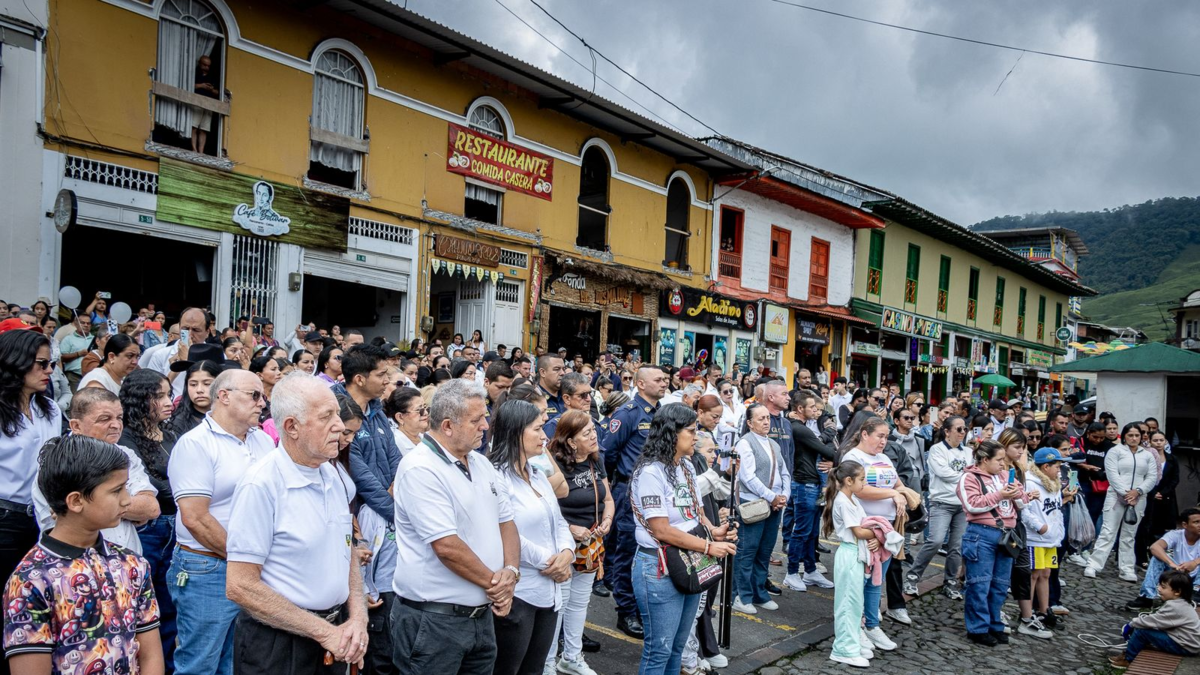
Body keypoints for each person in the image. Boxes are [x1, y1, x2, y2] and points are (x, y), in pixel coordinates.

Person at [225, 374, 368, 674]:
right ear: (292, 427)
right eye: (327, 417)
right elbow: (240, 586)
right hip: (279, 644)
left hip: (333, 634)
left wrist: (358, 618)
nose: (340, 426)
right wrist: (323, 632)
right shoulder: (261, 484)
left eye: (337, 416)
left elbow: (347, 550)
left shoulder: (331, 474)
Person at [2, 435, 165, 675]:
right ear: (76, 501)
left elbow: (150, 656)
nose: (127, 500)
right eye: (117, 490)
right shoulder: (31, 580)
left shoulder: (132, 564)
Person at [388, 378, 519, 674]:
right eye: (476, 420)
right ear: (447, 425)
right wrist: (497, 586)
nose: (485, 425)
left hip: (480, 617)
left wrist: (511, 572)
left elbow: (507, 522)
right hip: (433, 622)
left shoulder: (481, 463)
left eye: (484, 417)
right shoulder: (420, 468)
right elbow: (446, 546)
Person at [167, 369, 274, 675]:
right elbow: (195, 518)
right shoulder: (196, 444)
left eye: (263, 396)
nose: (261, 403)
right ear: (224, 396)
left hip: (250, 565)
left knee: (237, 661)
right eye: (254, 395)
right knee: (199, 663)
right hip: (208, 568)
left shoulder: (263, 441)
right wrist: (243, 557)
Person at [629, 404, 737, 675]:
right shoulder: (650, 472)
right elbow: (661, 530)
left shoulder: (686, 465)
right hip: (658, 567)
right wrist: (709, 546)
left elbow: (695, 514)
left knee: (678, 647)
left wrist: (715, 530)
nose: (697, 436)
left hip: (689, 560)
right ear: (671, 434)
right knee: (659, 650)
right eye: (691, 431)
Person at [485, 401, 573, 675]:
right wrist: (551, 562)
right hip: (519, 591)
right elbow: (505, 533)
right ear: (515, 433)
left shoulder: (536, 474)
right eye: (537, 429)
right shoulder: (496, 477)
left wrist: (568, 554)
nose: (545, 436)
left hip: (549, 591)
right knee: (508, 669)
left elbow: (558, 521)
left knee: (534, 669)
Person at [331, 345, 402, 673]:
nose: (388, 380)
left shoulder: (378, 410)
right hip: (356, 522)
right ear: (359, 378)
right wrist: (396, 512)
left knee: (383, 615)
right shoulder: (334, 410)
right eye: (381, 374)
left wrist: (398, 494)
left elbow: (394, 462)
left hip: (384, 520)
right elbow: (357, 473)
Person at [118, 370, 182, 670]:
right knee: (142, 608)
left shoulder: (170, 433)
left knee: (169, 610)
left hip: (175, 528)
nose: (168, 402)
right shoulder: (126, 438)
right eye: (159, 396)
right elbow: (153, 490)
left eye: (169, 394)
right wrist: (185, 490)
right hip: (149, 530)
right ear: (141, 400)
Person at [601, 365, 668, 639]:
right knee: (627, 550)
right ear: (640, 384)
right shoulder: (628, 413)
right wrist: (617, 483)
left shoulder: (662, 412)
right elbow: (609, 452)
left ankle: (643, 607)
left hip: (657, 489)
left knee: (652, 549)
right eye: (658, 379)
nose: (664, 383)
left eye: (665, 379)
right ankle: (626, 611)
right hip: (629, 489)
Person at [544, 411, 612, 675]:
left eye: (593, 430)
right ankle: (547, 662)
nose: (594, 435)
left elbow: (607, 498)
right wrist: (570, 528)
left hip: (591, 545)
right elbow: (545, 506)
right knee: (558, 605)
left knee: (579, 603)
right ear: (571, 441)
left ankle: (571, 657)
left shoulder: (596, 460)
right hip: (563, 545)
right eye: (587, 433)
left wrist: (607, 520)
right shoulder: (555, 466)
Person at [0, 329, 61, 619]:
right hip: (4, 518)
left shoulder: (49, 408)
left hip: (42, 519)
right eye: (41, 363)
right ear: (17, 362)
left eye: (52, 364)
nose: (49, 370)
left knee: (31, 605)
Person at [838, 416, 905, 652]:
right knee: (862, 578)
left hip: (886, 526)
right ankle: (860, 624)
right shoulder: (853, 457)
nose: (884, 441)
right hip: (865, 526)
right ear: (865, 434)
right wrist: (892, 495)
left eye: (887, 436)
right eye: (880, 435)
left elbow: (897, 484)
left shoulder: (884, 458)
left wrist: (901, 493)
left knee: (877, 577)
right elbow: (862, 490)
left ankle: (872, 624)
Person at [956, 440, 1032, 646]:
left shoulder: (1005, 475)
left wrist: (1021, 496)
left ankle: (994, 624)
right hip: (981, 533)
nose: (1002, 464)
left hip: (1007, 535)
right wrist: (1000, 494)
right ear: (984, 459)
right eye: (998, 460)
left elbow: (1022, 503)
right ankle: (978, 628)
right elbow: (972, 505)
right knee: (979, 583)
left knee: (999, 584)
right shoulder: (969, 477)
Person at [732, 403, 790, 615]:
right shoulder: (745, 443)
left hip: (773, 506)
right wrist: (772, 496)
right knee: (747, 551)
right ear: (749, 423)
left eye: (767, 418)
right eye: (760, 418)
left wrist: (784, 496)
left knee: (764, 552)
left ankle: (759, 593)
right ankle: (741, 596)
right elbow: (747, 477)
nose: (766, 422)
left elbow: (785, 472)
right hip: (753, 504)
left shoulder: (773, 444)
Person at [905, 415, 969, 600]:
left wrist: (966, 477)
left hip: (961, 505)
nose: (962, 433)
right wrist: (966, 477)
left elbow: (972, 474)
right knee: (935, 541)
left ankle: (950, 582)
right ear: (947, 431)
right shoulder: (937, 450)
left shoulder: (968, 452)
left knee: (956, 547)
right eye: (958, 429)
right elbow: (944, 473)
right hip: (941, 503)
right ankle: (912, 577)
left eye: (964, 429)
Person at [822, 461, 878, 668]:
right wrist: (881, 533)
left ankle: (852, 641)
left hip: (856, 552)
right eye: (862, 480)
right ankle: (843, 648)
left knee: (855, 603)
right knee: (847, 603)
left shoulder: (851, 499)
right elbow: (859, 531)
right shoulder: (843, 502)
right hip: (849, 553)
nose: (864, 483)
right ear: (848, 481)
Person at [1085, 423, 1158, 581]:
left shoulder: (1147, 455)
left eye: (1137, 435)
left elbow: (1152, 476)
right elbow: (1112, 474)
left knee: (1129, 534)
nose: (1133, 438)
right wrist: (1126, 493)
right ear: (1124, 436)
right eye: (1130, 435)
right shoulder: (1115, 451)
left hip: (1139, 498)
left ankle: (1126, 568)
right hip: (1116, 496)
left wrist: (1137, 491)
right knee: (1108, 531)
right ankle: (1093, 565)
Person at [1021, 446, 1077, 639]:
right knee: (1034, 574)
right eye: (1057, 466)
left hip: (1050, 537)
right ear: (1045, 466)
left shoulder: (1053, 483)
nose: (1059, 470)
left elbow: (1051, 507)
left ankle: (1044, 611)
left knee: (1045, 573)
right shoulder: (1030, 482)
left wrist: (1065, 498)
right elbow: (1025, 509)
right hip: (1036, 537)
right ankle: (1027, 614)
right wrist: (1039, 527)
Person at [785, 389, 837, 592]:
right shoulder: (799, 428)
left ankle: (810, 570)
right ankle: (791, 573)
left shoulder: (802, 426)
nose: (816, 411)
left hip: (811, 483)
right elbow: (827, 450)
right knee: (802, 531)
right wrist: (833, 458)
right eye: (812, 408)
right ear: (800, 409)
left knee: (812, 531)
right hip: (804, 484)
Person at [1109, 569, 1200, 670]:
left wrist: (1131, 624)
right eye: (1159, 585)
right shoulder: (1182, 603)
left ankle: (1128, 659)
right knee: (1146, 629)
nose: (1159, 589)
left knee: (1141, 631)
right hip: (1188, 643)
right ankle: (1135, 650)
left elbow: (1153, 621)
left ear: (1177, 591)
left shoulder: (1174, 606)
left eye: (1163, 587)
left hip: (1184, 646)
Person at [1127, 508, 1200, 610]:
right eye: (1196, 522)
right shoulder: (1176, 535)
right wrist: (1172, 564)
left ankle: (1195, 597)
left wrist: (1194, 563)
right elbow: (1154, 547)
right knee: (1157, 558)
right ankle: (1146, 597)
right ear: (1185, 525)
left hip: (1196, 578)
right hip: (1178, 573)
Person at [166, 359, 221, 438]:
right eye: (193, 384)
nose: (199, 390)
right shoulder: (177, 424)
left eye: (207, 384)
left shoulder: (232, 418)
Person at [385, 387, 428, 458]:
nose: (425, 413)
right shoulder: (395, 444)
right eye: (419, 410)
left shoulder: (426, 438)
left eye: (425, 407)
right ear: (400, 417)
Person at [59, 314, 94, 393]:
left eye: (88, 323)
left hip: (91, 376)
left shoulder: (95, 339)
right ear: (76, 324)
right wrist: (78, 354)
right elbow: (62, 357)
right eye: (83, 323)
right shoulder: (68, 339)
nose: (86, 325)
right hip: (74, 376)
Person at [534, 355, 566, 422]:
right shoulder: (533, 398)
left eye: (564, 369)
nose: (562, 373)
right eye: (557, 369)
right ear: (543, 372)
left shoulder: (569, 395)